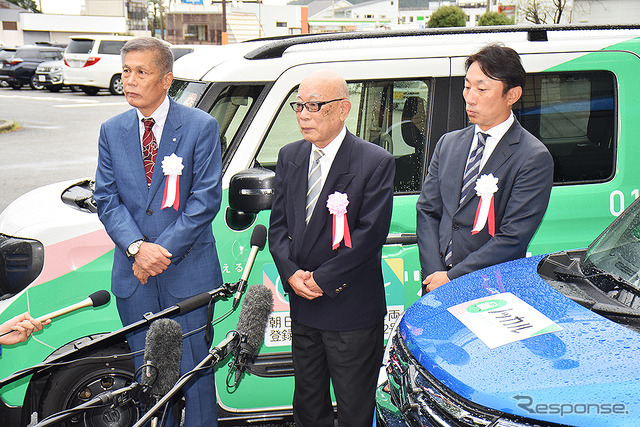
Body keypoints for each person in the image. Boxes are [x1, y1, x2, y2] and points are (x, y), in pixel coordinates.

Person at [94, 37, 222, 426]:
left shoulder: (200, 126)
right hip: (135, 279)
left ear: (166, 79)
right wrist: (136, 248)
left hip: (188, 274)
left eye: (141, 72)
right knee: (148, 377)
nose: (129, 80)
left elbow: (204, 200)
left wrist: (157, 253)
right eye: (126, 71)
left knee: (194, 375)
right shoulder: (112, 130)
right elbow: (106, 197)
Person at [269, 69, 395, 427]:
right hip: (303, 304)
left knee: (355, 406)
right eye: (298, 106)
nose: (304, 115)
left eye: (314, 106)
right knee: (308, 404)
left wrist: (322, 279)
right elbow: (278, 227)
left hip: (349, 307)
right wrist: (291, 274)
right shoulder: (290, 155)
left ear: (343, 109)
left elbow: (370, 236)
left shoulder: (374, 161)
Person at [417, 44, 553, 294]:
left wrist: (452, 277)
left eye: (482, 89)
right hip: (436, 285)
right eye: (467, 86)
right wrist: (434, 274)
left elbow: (512, 238)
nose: (470, 97)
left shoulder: (532, 157)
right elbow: (428, 211)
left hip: (491, 286)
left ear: (512, 95)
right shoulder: (448, 143)